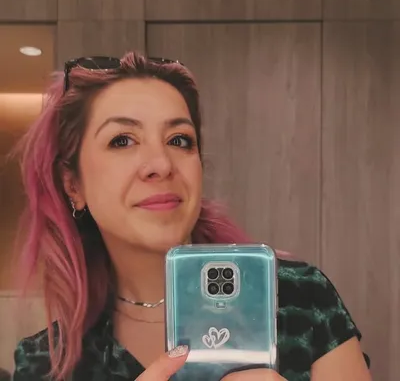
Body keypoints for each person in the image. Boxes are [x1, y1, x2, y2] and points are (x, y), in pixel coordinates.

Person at [12, 52, 371, 381]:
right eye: (122, 140)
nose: (161, 164)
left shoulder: (299, 299)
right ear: (73, 185)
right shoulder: (47, 364)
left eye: (179, 140)